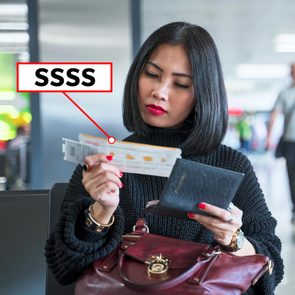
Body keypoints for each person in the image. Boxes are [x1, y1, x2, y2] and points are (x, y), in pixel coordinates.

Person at [45, 22, 284, 294]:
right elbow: (63, 268)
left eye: (180, 84)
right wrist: (101, 213)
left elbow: (271, 271)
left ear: (202, 95)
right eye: (152, 74)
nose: (159, 91)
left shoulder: (231, 165)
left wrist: (233, 239)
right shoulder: (104, 162)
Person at [266, 63, 295, 223]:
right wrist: (269, 136)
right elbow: (274, 114)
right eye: (292, 72)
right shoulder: (285, 93)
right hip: (290, 141)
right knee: (292, 177)